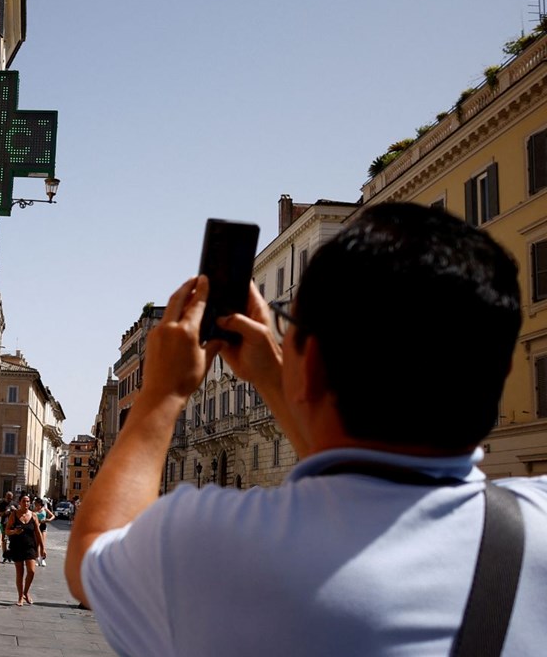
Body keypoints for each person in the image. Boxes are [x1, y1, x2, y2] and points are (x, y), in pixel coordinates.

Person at [65, 203, 547, 656]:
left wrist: (160, 397)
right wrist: (284, 375)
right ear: (502, 371)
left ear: (311, 364)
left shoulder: (212, 544)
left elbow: (90, 557)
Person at [6, 494, 46, 606]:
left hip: (30, 547)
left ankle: (26, 592)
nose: (26, 503)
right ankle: (20, 597)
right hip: (17, 547)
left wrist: (43, 548)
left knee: (31, 571)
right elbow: (7, 530)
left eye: (28, 501)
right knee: (20, 573)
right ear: (20, 502)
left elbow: (38, 533)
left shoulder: (33, 516)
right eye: (24, 501)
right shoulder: (14, 515)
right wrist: (14, 532)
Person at [31, 496, 55, 567]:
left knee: (42, 543)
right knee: (37, 543)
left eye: (36, 503)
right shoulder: (34, 510)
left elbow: (52, 515)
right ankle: (37, 558)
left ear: (39, 503)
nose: (35, 504)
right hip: (36, 527)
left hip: (43, 526)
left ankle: (43, 559)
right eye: (35, 503)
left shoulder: (44, 509)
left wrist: (48, 520)